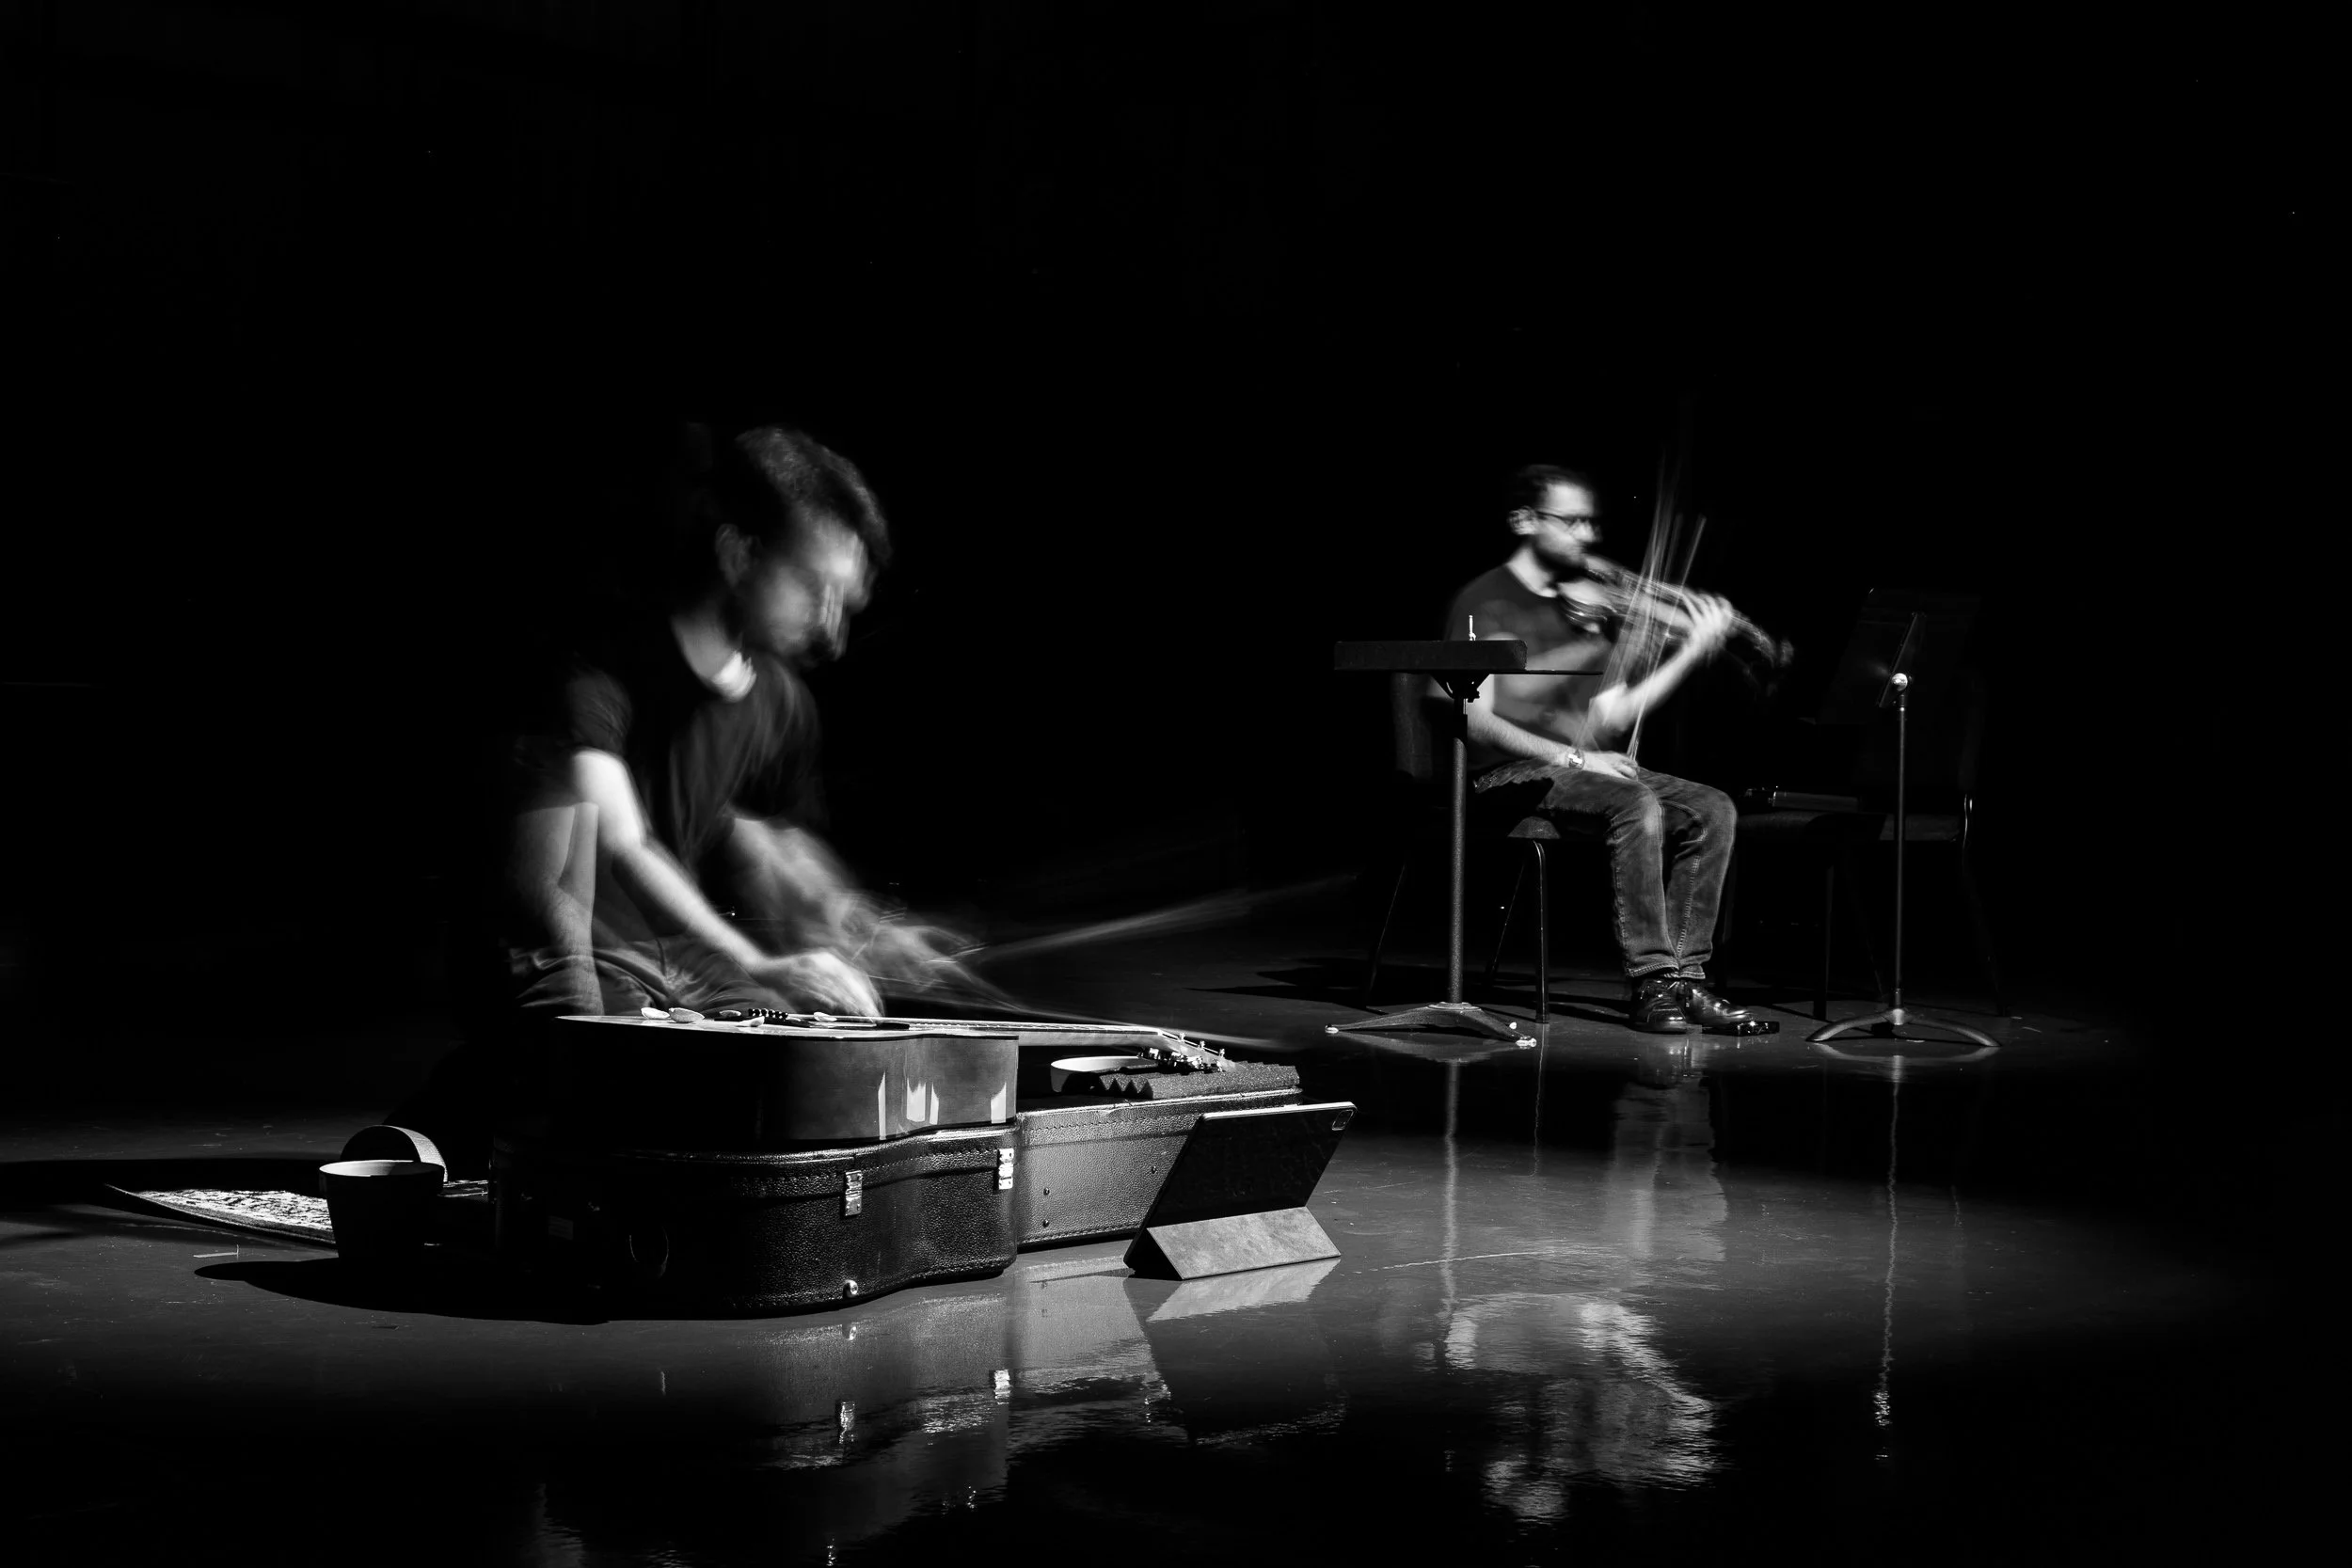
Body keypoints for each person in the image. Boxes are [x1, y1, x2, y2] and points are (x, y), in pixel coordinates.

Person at [397, 424, 971, 1166]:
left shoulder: (781, 702)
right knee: (617, 1092)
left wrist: (862, 925)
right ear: (741, 554)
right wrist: (761, 964)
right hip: (549, 937)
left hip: (665, 958)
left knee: (775, 1057)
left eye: (844, 603)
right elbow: (623, 838)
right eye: (814, 589)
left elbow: (766, 839)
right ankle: (459, 1108)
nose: (832, 628)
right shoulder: (598, 668)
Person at [1446, 464, 1767, 1034]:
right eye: (1571, 522)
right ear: (1524, 520)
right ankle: (1650, 982)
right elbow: (1476, 720)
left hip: (1583, 771)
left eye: (1590, 522)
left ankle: (1685, 981)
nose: (1588, 536)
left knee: (1713, 808)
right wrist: (1574, 758)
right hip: (1508, 776)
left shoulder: (1583, 611)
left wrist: (1690, 651)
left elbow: (1610, 714)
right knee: (1635, 803)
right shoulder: (1484, 600)